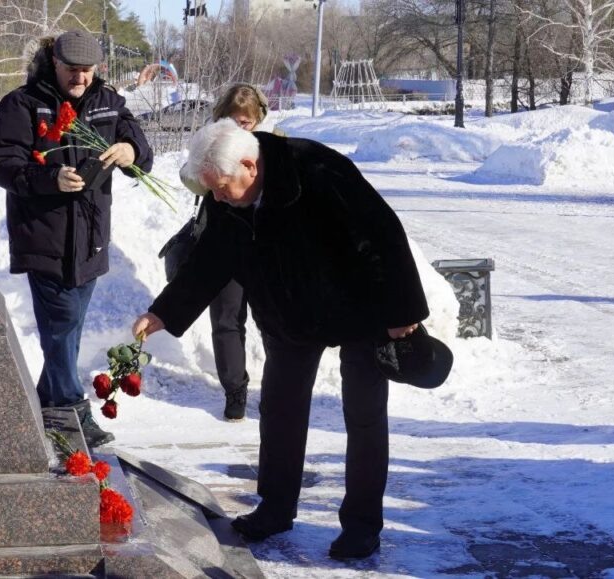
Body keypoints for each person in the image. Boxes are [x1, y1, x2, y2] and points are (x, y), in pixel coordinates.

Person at [132, 119, 428, 560]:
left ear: (250, 166)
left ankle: (362, 524)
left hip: (359, 308)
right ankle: (275, 506)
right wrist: (163, 312)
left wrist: (403, 314)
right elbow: (212, 256)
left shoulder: (318, 170)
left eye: (222, 187)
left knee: (364, 416)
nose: (216, 197)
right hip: (288, 313)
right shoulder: (228, 191)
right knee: (280, 408)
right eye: (212, 190)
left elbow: (384, 234)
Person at [0, 31, 153, 448]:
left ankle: (45, 402)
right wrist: (50, 178)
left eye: (87, 71)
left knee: (68, 331)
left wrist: (131, 151)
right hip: (44, 238)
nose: (80, 78)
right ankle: (70, 411)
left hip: (91, 239)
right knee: (61, 325)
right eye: (71, 70)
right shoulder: (22, 105)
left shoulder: (109, 102)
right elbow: (3, 166)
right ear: (54, 64)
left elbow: (142, 152)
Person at [177, 83, 270, 422]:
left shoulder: (272, 145)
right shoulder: (209, 144)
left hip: (263, 248)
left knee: (271, 318)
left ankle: (277, 386)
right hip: (222, 242)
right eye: (234, 120)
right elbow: (192, 180)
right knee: (227, 318)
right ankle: (235, 390)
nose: (240, 127)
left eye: (247, 122)